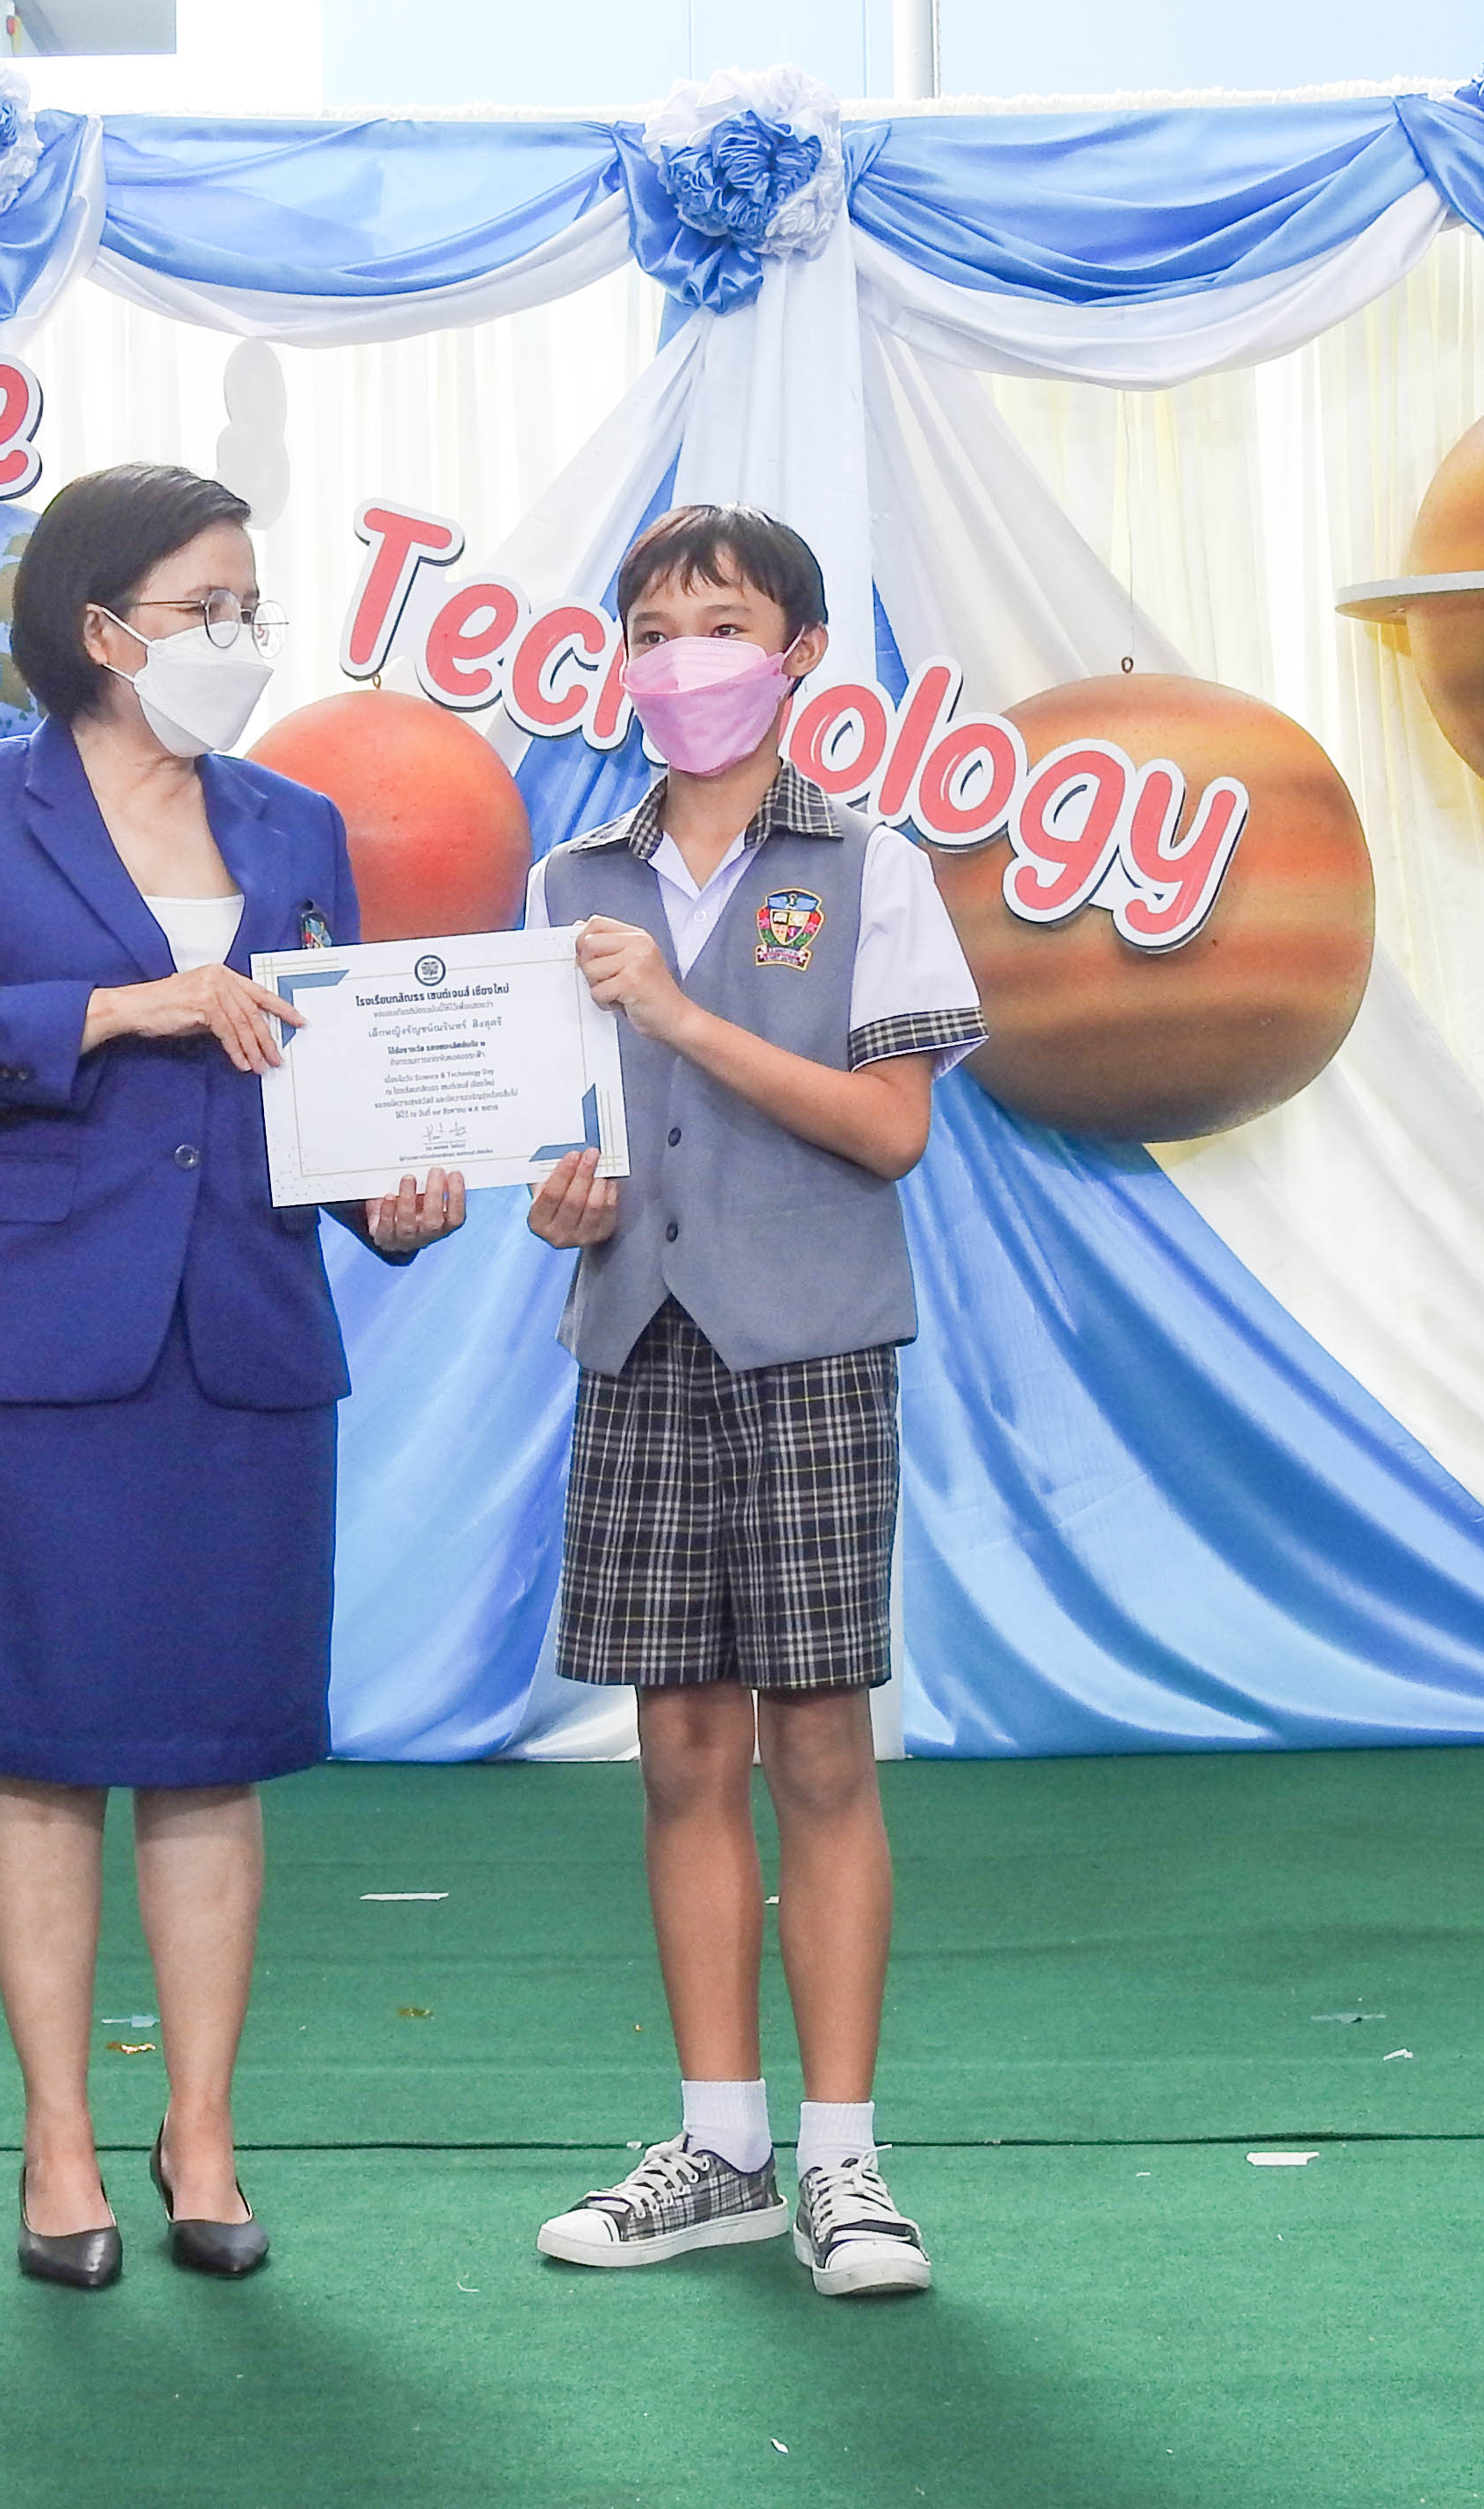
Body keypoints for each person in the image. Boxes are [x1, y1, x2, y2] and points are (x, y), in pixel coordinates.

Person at [0, 461, 467, 2290]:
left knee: (212, 1760)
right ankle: (58, 2140)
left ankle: (202, 2134)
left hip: (241, 1346)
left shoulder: (295, 825)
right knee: (37, 1761)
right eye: (209, 608)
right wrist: (126, 1007)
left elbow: (331, 1086)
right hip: (31, 1354)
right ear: (102, 628)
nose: (241, 638)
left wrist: (399, 1202)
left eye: (254, 606)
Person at [522, 505, 981, 2298]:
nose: (680, 660)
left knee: (821, 1752)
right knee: (683, 1753)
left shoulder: (870, 868)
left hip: (811, 1350)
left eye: (717, 626)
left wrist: (686, 1017)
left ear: (796, 656)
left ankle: (846, 2167)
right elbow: (563, 1147)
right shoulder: (571, 882)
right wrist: (567, 1202)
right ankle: (718, 2149)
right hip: (640, 1339)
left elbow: (892, 1130)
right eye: (650, 630)